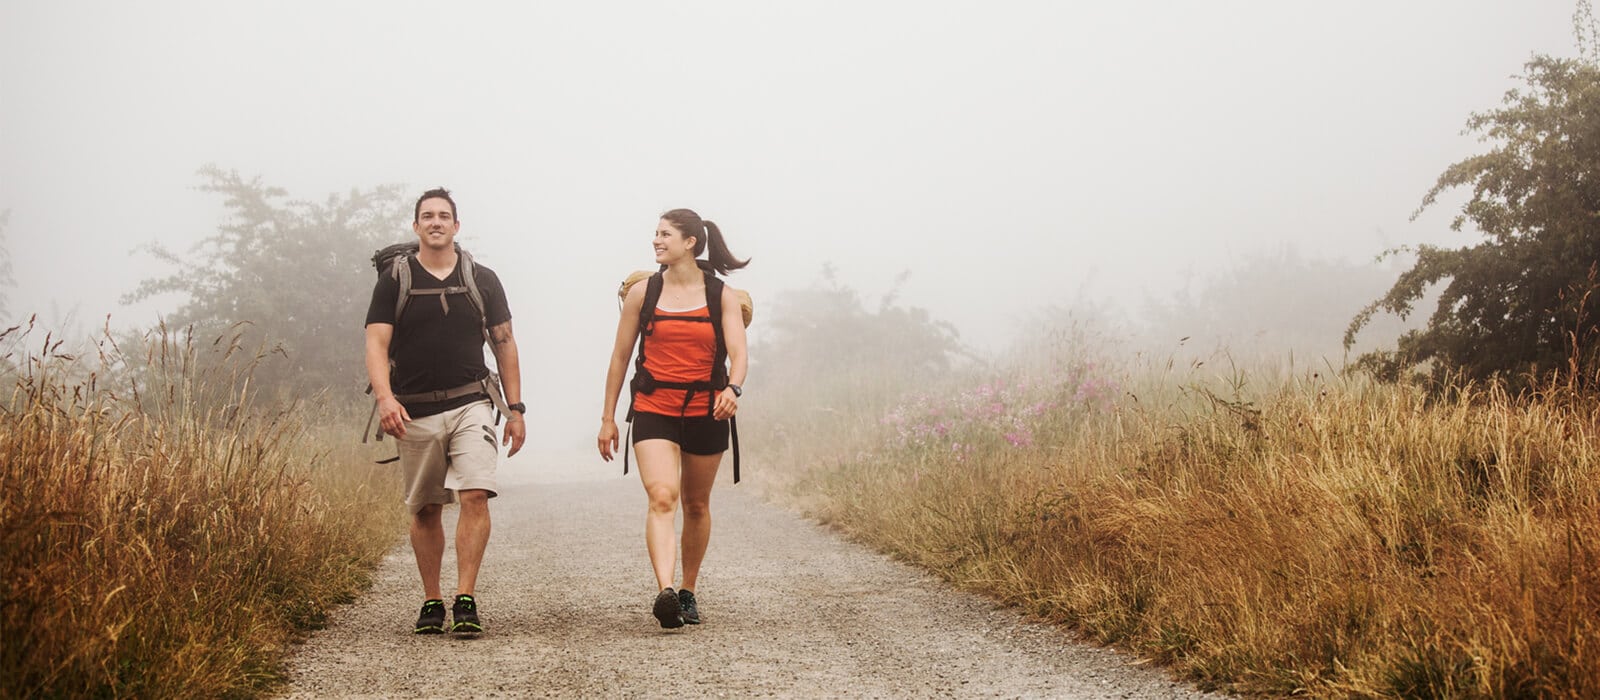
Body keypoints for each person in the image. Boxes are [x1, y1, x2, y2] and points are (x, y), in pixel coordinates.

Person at [364, 187, 525, 637]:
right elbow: (376, 343)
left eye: (444, 216)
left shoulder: (483, 279)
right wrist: (385, 398)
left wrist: (515, 409)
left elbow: (504, 342)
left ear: (457, 225)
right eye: (427, 216)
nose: (436, 222)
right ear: (416, 227)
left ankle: (465, 598)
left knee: (475, 493)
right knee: (426, 508)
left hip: (472, 401)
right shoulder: (394, 280)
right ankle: (432, 599)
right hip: (413, 410)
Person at [598, 208, 749, 628]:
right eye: (656, 234)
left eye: (665, 235)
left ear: (690, 243)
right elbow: (619, 358)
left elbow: (739, 353)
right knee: (662, 496)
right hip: (653, 408)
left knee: (696, 504)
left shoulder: (721, 296)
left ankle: (687, 590)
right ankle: (665, 592)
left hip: (706, 408)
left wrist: (732, 389)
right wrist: (608, 417)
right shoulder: (641, 293)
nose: (656, 241)